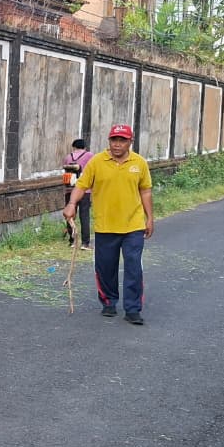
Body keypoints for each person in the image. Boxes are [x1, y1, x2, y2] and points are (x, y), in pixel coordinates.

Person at [63, 124, 153, 325]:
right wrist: (71, 204)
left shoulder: (139, 163)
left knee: (133, 268)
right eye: (114, 140)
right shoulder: (96, 162)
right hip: (105, 226)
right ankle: (109, 302)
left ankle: (132, 309)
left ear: (131, 142)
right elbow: (82, 185)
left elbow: (145, 191)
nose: (117, 144)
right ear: (109, 141)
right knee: (105, 268)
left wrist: (150, 218)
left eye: (122, 140)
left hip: (133, 226)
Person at [62, 138, 93, 250]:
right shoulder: (89, 155)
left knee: (70, 216)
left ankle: (72, 241)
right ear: (84, 147)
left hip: (69, 190)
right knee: (84, 216)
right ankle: (85, 243)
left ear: (73, 146)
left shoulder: (68, 157)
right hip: (84, 191)